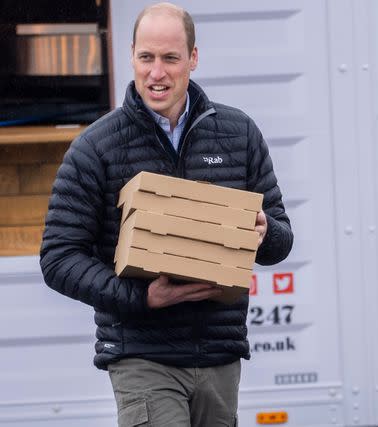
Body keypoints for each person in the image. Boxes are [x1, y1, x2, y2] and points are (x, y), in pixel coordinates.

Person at [40, 3, 293, 426]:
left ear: (193, 58)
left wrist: (265, 232)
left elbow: (280, 240)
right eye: (146, 58)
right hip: (143, 356)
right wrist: (141, 298)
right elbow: (58, 257)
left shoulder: (238, 133)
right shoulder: (96, 147)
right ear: (132, 55)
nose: (156, 73)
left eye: (170, 58)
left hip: (219, 355)